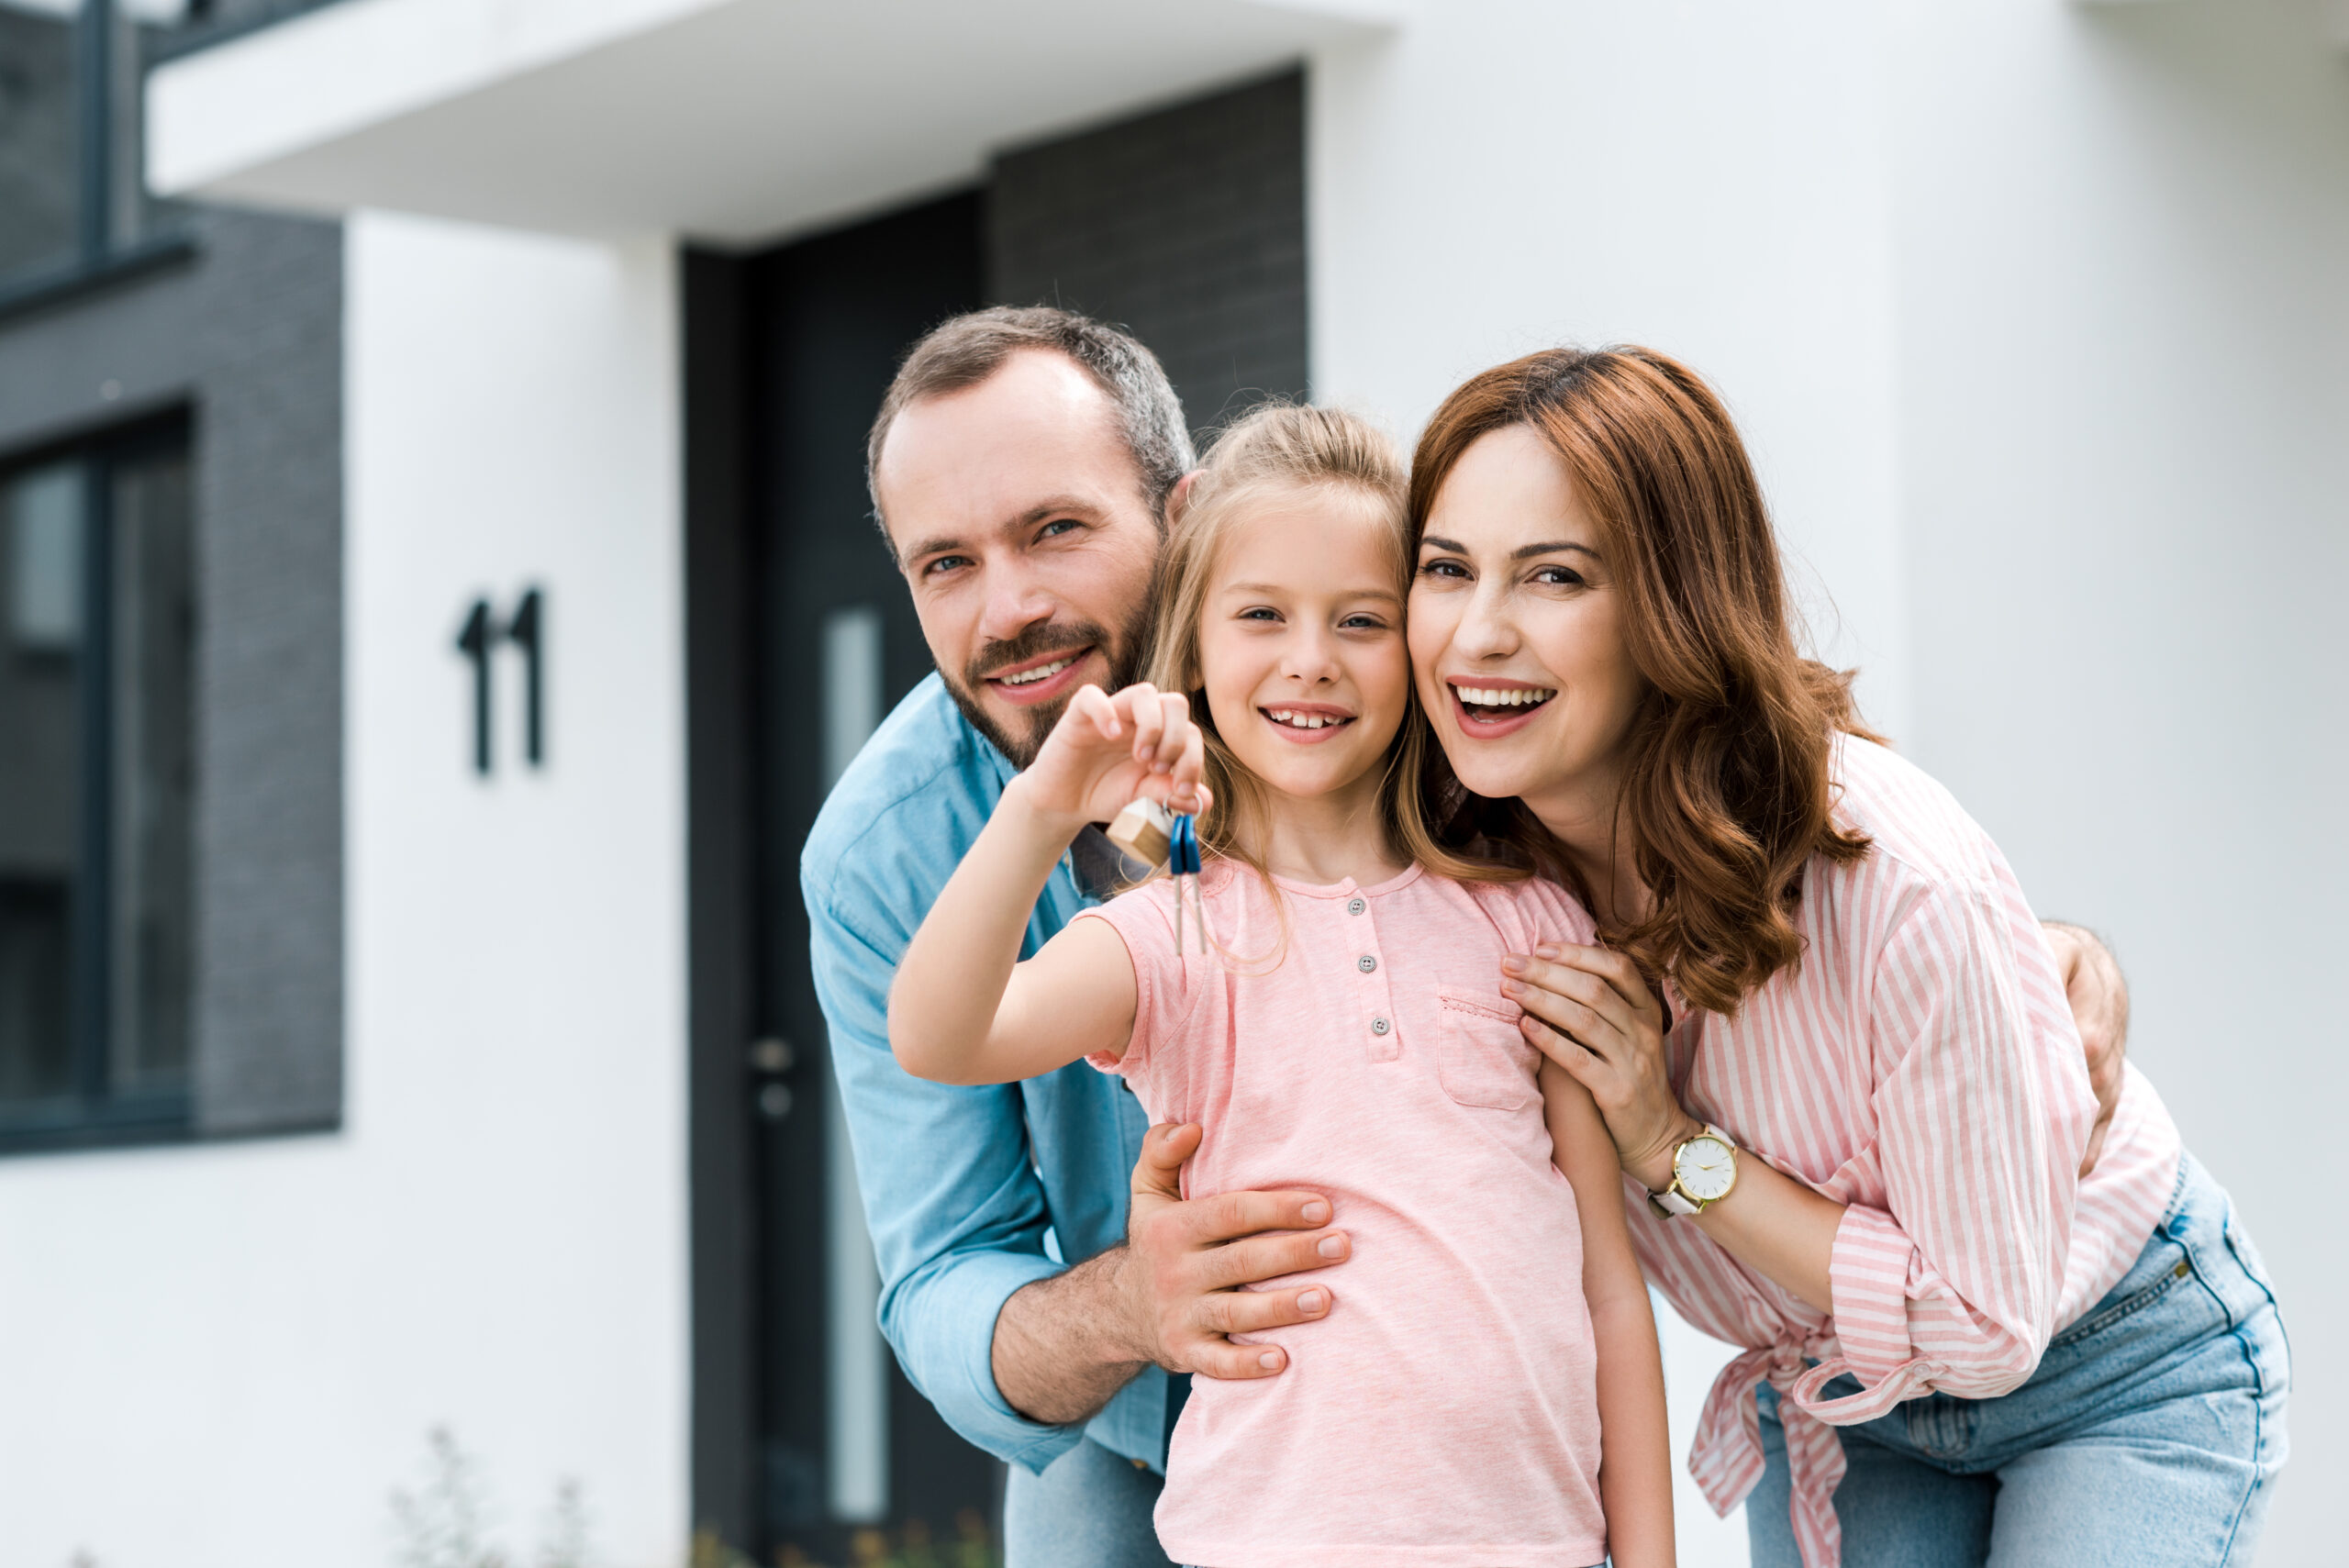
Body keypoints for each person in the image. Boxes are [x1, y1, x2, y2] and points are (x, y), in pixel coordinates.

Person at [802, 305, 2134, 1567]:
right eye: (946, 564)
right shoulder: (1028, 892)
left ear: (1181, 520)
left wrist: (2043, 955)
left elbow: (1721, 920)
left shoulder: (1495, 819)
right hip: (1194, 1457)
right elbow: (942, 1154)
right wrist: (1045, 813)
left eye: (1054, 529)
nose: (1008, 604)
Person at [1400, 345, 2288, 1567]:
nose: (1478, 632)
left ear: (1673, 601)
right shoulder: (1467, 887)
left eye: (1553, 576)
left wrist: (1668, 1145)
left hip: (2115, 1357)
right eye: (1445, 569)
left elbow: (1986, 1325)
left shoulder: (1896, 878)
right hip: (1844, 1400)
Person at [890, 406, 1674, 1568]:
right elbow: (942, 1035)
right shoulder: (1169, 935)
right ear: (1196, 646)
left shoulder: (1528, 916)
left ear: (1415, 646)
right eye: (1262, 614)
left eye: (1359, 620)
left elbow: (1608, 1286)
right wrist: (1046, 801)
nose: (1311, 656)